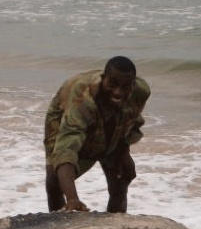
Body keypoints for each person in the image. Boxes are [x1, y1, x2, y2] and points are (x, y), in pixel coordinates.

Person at [44, 56, 150, 213]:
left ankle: (115, 224)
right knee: (55, 180)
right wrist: (73, 199)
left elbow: (129, 121)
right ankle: (58, 224)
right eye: (112, 84)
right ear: (103, 79)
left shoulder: (140, 92)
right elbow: (66, 149)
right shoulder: (82, 98)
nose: (118, 92)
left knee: (121, 174)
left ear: (133, 85)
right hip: (64, 117)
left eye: (125, 87)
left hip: (109, 122)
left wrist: (123, 151)